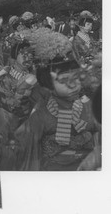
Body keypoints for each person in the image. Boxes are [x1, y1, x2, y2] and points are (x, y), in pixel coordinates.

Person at [13, 31, 101, 171]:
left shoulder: (89, 106)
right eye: (64, 80)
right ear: (49, 83)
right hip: (53, 172)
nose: (72, 84)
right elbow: (22, 138)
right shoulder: (42, 111)